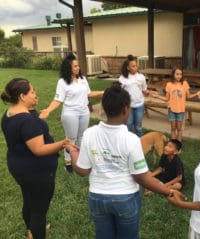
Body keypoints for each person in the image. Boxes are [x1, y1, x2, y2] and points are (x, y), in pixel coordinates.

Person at [65, 83, 179, 239]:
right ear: (126, 109)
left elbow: (82, 171)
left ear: (104, 107)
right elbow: (141, 177)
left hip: (97, 198)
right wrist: (168, 191)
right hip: (125, 198)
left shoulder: (89, 134)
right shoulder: (132, 140)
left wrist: (72, 151)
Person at [1, 78, 70, 239]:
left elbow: (26, 132)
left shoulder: (10, 113)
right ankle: (37, 229)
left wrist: (34, 111)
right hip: (36, 173)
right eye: (32, 92)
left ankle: (30, 229)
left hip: (19, 167)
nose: (35, 94)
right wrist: (63, 143)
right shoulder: (28, 121)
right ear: (22, 96)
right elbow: (39, 149)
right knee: (39, 210)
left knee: (29, 198)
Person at [40, 53, 103, 173]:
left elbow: (88, 93)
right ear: (68, 68)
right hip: (70, 113)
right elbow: (58, 99)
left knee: (81, 137)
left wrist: (103, 92)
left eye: (78, 65)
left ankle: (80, 159)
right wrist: (48, 110)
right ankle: (69, 163)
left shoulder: (82, 79)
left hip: (84, 112)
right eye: (75, 66)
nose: (78, 68)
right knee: (70, 139)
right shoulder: (62, 82)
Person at [151, 68, 200, 141]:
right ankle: (173, 144)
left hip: (181, 110)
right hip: (171, 109)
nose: (179, 76)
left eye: (180, 74)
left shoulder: (184, 83)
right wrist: (157, 96)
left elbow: (189, 96)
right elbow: (166, 99)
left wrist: (197, 93)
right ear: (173, 75)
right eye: (177, 74)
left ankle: (178, 145)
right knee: (173, 128)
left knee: (179, 129)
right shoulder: (169, 84)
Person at [118, 54, 151, 137]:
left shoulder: (141, 77)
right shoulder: (123, 78)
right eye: (133, 66)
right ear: (128, 68)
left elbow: (144, 89)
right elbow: (119, 92)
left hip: (140, 105)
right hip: (128, 106)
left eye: (136, 65)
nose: (136, 67)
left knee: (138, 126)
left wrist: (150, 92)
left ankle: (139, 143)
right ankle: (127, 144)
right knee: (128, 125)